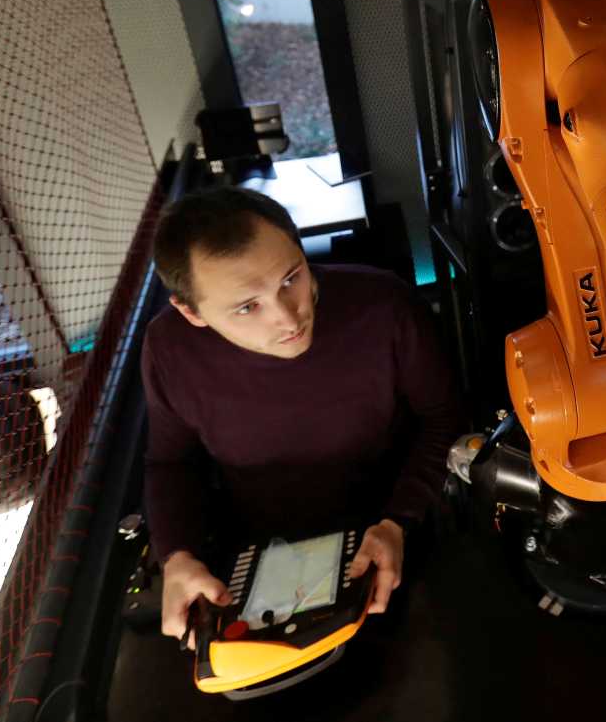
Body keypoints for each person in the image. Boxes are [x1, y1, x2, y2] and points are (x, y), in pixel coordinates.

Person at [142, 186, 463, 644]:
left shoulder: (385, 306)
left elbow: (443, 417)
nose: (290, 318)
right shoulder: (168, 349)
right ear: (191, 312)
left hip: (398, 529)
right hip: (259, 554)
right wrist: (177, 556)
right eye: (248, 307)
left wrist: (400, 521)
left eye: (291, 278)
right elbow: (170, 462)